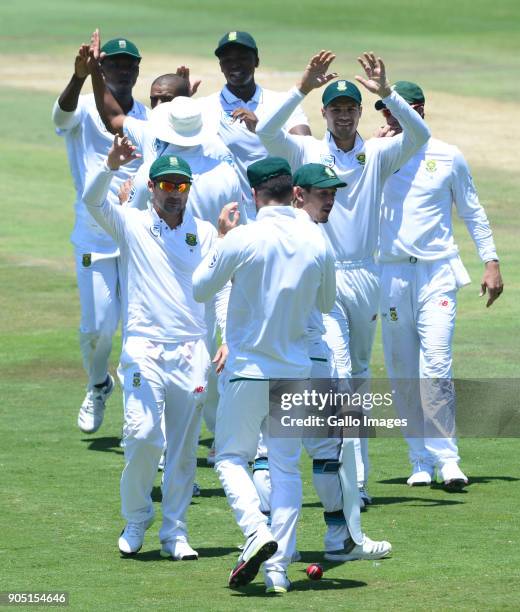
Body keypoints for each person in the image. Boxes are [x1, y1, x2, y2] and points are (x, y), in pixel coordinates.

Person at [256, 50, 431, 502]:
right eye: (336, 109)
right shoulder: (309, 150)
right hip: (323, 276)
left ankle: (359, 482)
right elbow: (265, 131)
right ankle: (344, 480)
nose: (345, 116)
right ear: (325, 113)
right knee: (334, 371)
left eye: (351, 109)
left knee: (356, 377)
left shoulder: (377, 154)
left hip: (366, 275)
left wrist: (388, 94)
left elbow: (421, 134)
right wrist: (302, 86)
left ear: (358, 111)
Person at [192, 157, 336, 594]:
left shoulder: (243, 237)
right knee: (286, 469)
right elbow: (326, 304)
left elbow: (201, 287)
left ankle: (256, 531)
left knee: (232, 458)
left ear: (254, 195)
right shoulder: (316, 239)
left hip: (248, 370)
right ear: (291, 190)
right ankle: (278, 574)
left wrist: (220, 240)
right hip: (295, 370)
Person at [83, 140, 228, 558]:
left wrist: (226, 338)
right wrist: (110, 166)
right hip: (144, 348)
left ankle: (175, 533)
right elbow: (93, 200)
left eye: (181, 186)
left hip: (191, 351)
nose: (173, 192)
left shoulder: (202, 234)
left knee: (183, 450)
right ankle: (137, 516)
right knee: (144, 436)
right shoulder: (131, 223)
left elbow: (220, 289)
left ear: (189, 189)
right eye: (166, 184)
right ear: (151, 186)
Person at [254, 163, 392, 563]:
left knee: (271, 452)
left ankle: (273, 542)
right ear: (298, 194)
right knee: (327, 448)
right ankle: (340, 541)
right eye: (322, 193)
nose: (330, 200)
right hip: (310, 357)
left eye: (333, 193)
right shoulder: (314, 239)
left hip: (268, 358)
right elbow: (327, 303)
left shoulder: (260, 233)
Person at [375, 81, 504, 489]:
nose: (391, 118)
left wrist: (491, 261)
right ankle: (418, 458)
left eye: (399, 109)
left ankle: (447, 459)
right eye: (385, 111)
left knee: (436, 363)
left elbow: (473, 210)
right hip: (391, 273)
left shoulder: (448, 156)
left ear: (420, 109)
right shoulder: (376, 154)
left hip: (437, 273)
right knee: (401, 370)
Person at [52, 37, 149, 434]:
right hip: (94, 236)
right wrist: (78, 78)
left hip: (139, 239)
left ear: (138, 70)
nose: (123, 70)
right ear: (103, 69)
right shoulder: (83, 109)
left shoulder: (147, 115)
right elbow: (61, 119)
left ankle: (140, 418)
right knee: (97, 330)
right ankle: (98, 384)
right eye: (115, 65)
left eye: (130, 65)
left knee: (139, 332)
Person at [197, 31, 311, 220]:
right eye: (227, 59)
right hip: (229, 213)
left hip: (278, 211)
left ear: (256, 61)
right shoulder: (204, 106)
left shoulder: (281, 103)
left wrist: (264, 129)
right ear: (220, 66)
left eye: (243, 58)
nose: (235, 65)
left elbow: (304, 148)